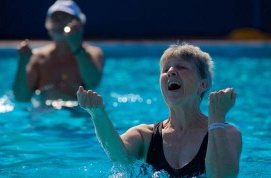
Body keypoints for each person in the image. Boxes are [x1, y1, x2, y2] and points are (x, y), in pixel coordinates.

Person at [76, 44, 242, 177]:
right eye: (166, 69)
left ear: (203, 85)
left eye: (181, 67)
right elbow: (121, 159)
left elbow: (222, 176)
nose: (170, 71)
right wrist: (98, 114)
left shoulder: (227, 133)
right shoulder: (145, 135)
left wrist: (216, 117)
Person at [13, 0, 104, 109]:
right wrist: (23, 63)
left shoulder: (93, 53)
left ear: (79, 25)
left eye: (66, 18)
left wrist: (77, 48)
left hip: (79, 114)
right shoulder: (37, 58)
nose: (60, 23)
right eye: (55, 19)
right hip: (45, 114)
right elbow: (21, 98)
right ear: (48, 25)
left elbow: (93, 83)